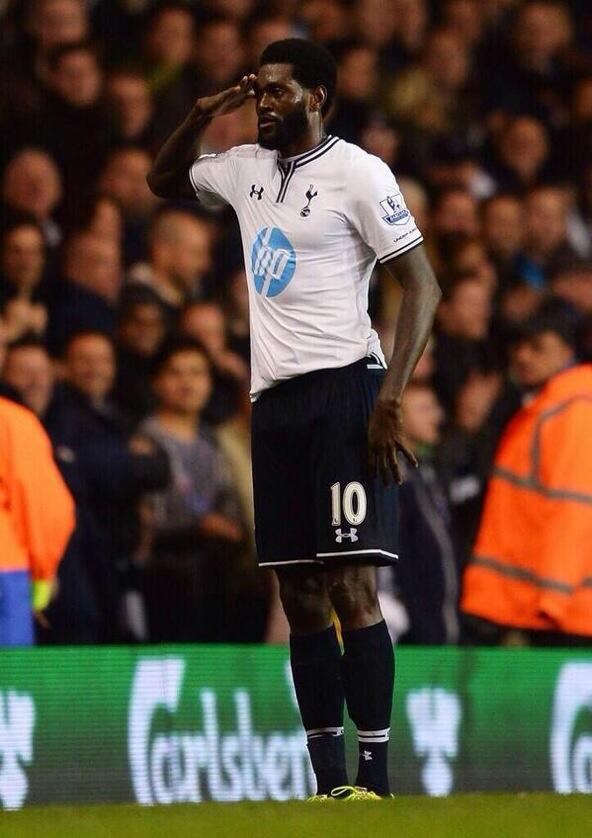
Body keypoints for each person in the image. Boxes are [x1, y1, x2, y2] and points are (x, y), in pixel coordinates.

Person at [147, 38, 440, 799]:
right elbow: (161, 179)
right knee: (298, 595)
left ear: (318, 98)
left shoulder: (359, 173)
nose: (264, 105)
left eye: (278, 93)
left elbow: (422, 284)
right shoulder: (243, 166)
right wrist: (201, 112)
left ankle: (374, 776)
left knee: (350, 586)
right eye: (258, 93)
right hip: (272, 404)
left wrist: (390, 397)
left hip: (346, 393)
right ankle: (327, 782)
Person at [462, 309, 592, 645]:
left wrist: (551, 603)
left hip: (559, 614)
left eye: (537, 348)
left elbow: (574, 507)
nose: (522, 355)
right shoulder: (544, 404)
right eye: (519, 346)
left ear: (567, 352)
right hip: (532, 604)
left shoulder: (574, 409)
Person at [141, 339, 247, 642]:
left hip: (216, 577)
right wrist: (198, 527)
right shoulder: (144, 442)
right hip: (164, 581)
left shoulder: (211, 442)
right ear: (156, 382)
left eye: (197, 373)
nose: (187, 383)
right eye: (175, 373)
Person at [378, 381, 459, 645]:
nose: (438, 416)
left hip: (435, 621)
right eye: (425, 409)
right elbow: (391, 551)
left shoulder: (426, 472)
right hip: (404, 625)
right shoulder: (387, 476)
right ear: (397, 418)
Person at [0, 394, 75, 645]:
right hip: (5, 569)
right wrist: (41, 581)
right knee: (8, 679)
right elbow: (45, 509)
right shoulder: (11, 420)